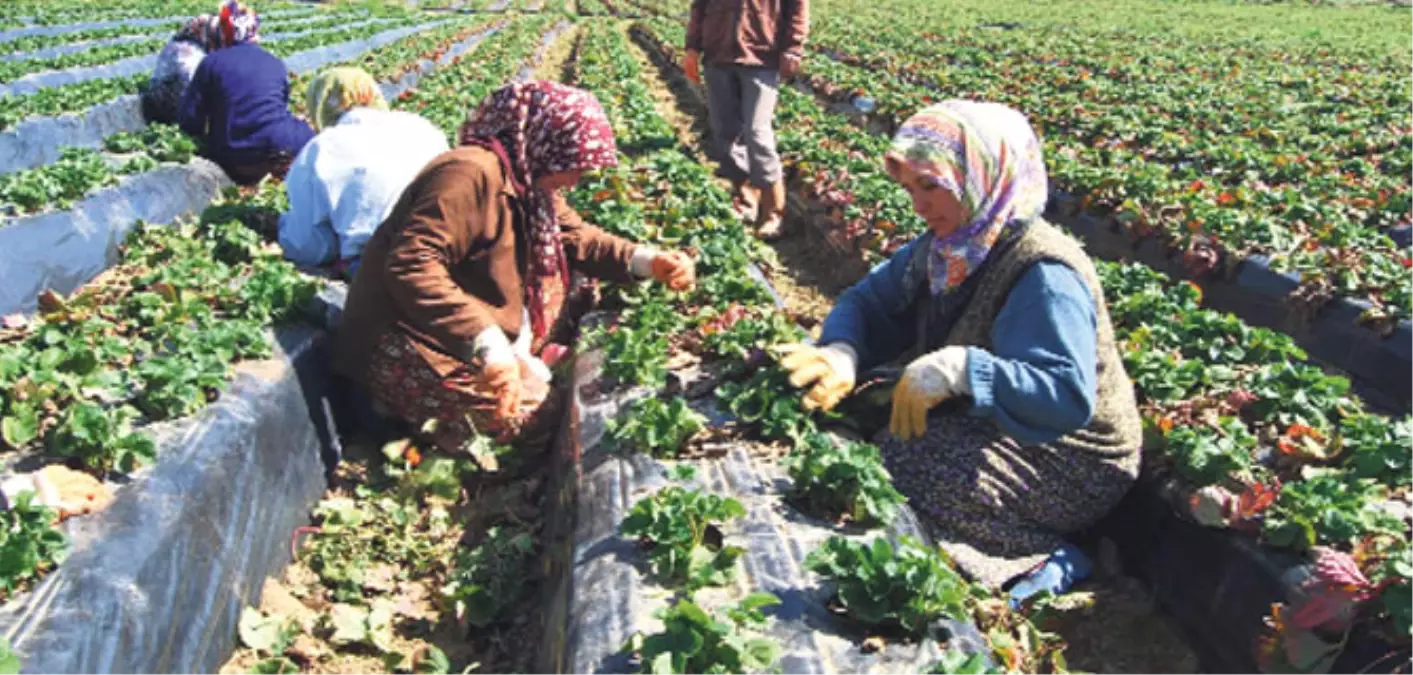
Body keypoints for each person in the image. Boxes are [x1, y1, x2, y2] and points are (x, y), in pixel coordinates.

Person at [778, 101, 1142, 605]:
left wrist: (964, 369)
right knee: (859, 413)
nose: (919, 205)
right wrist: (841, 352)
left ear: (984, 175)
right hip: (998, 422)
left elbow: (1062, 394)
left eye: (932, 186)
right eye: (909, 189)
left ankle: (1041, 556)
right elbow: (868, 301)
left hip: (1072, 457)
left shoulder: (1044, 272)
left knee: (902, 465)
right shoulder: (949, 245)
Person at [333, 81, 697, 469]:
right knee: (527, 424)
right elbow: (412, 264)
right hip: (402, 333)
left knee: (548, 395)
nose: (575, 179)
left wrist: (648, 261)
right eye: (572, 165)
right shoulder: (467, 175)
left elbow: (575, 237)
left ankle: (440, 415)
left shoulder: (526, 176)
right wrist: (486, 343)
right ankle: (389, 415)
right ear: (545, 143)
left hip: (454, 329)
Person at [277, 67, 449, 279]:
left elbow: (310, 248)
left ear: (320, 107)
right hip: (449, 246)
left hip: (389, 263)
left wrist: (281, 228)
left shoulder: (321, 148)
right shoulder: (423, 127)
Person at [684, 0, 808, 239]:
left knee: (757, 131)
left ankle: (774, 210)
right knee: (725, 131)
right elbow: (699, 6)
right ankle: (747, 198)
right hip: (717, 54)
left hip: (761, 56)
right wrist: (692, 48)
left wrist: (793, 46)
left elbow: (798, 6)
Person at [178, 1, 315, 186]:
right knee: (305, 130)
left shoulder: (211, 62)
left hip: (234, 151)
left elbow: (190, 118)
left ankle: (261, 166)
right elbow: (280, 107)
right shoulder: (275, 62)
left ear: (224, 31)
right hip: (279, 142)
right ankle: (283, 164)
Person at [141, 14, 217, 125]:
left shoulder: (174, 44)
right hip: (177, 106)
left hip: (155, 98)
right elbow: (193, 85)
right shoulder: (192, 53)